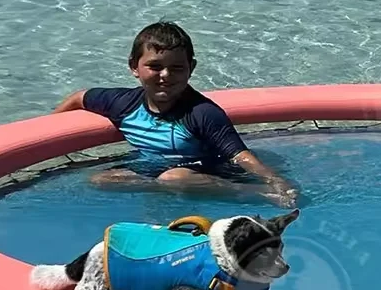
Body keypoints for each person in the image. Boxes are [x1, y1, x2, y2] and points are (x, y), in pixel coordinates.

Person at [52, 21, 299, 207]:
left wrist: (275, 182)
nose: (165, 76)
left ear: (191, 68)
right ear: (134, 67)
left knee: (174, 178)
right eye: (155, 66)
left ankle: (251, 195)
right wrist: (50, 134)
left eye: (176, 68)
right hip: (154, 171)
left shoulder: (201, 113)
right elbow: (79, 97)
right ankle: (164, 189)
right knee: (101, 180)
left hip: (208, 172)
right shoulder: (122, 103)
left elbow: (241, 156)